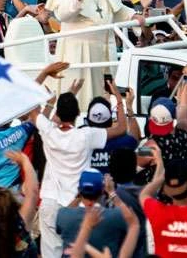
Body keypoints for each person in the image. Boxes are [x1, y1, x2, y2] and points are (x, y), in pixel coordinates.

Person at [31, 74, 127, 258]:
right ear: (77, 114)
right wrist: (118, 98)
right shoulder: (86, 135)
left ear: (58, 113)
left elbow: (32, 108)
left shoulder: (48, 131)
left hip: (51, 203)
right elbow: (122, 128)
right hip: (79, 205)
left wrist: (44, 73)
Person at [45, 0, 139, 107]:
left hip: (103, 47)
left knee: (102, 98)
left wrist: (134, 15)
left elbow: (114, 8)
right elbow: (61, 15)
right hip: (78, 50)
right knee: (81, 98)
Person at [56, 169, 134, 257]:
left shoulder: (63, 215)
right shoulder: (116, 215)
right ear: (102, 191)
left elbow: (66, 212)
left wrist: (79, 196)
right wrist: (111, 192)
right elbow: (132, 222)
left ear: (79, 190)